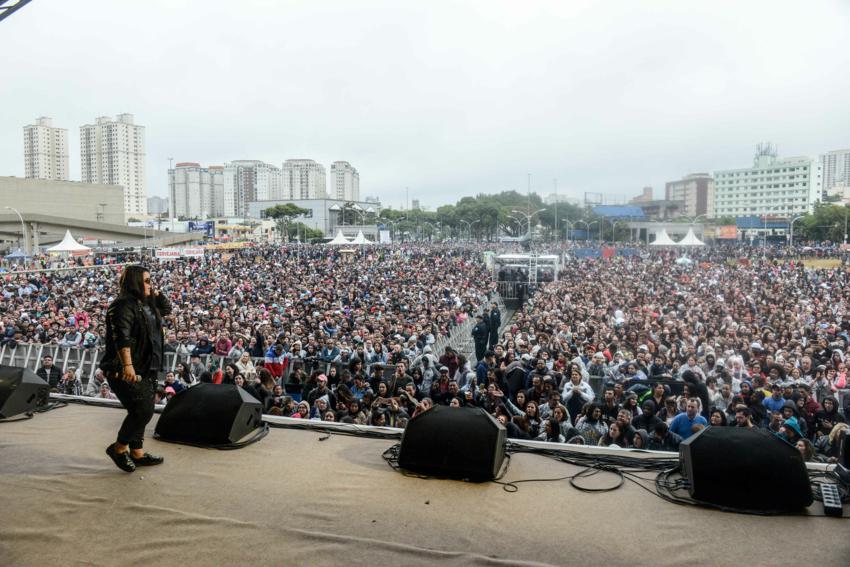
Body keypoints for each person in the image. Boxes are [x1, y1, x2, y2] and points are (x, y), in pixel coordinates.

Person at [101, 265, 171, 473]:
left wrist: (156, 293)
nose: (151, 284)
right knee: (142, 411)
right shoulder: (122, 305)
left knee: (143, 410)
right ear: (135, 282)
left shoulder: (146, 304)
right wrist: (127, 365)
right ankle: (119, 448)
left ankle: (137, 452)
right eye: (147, 280)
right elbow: (121, 337)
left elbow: (166, 309)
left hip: (148, 366)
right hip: (127, 368)